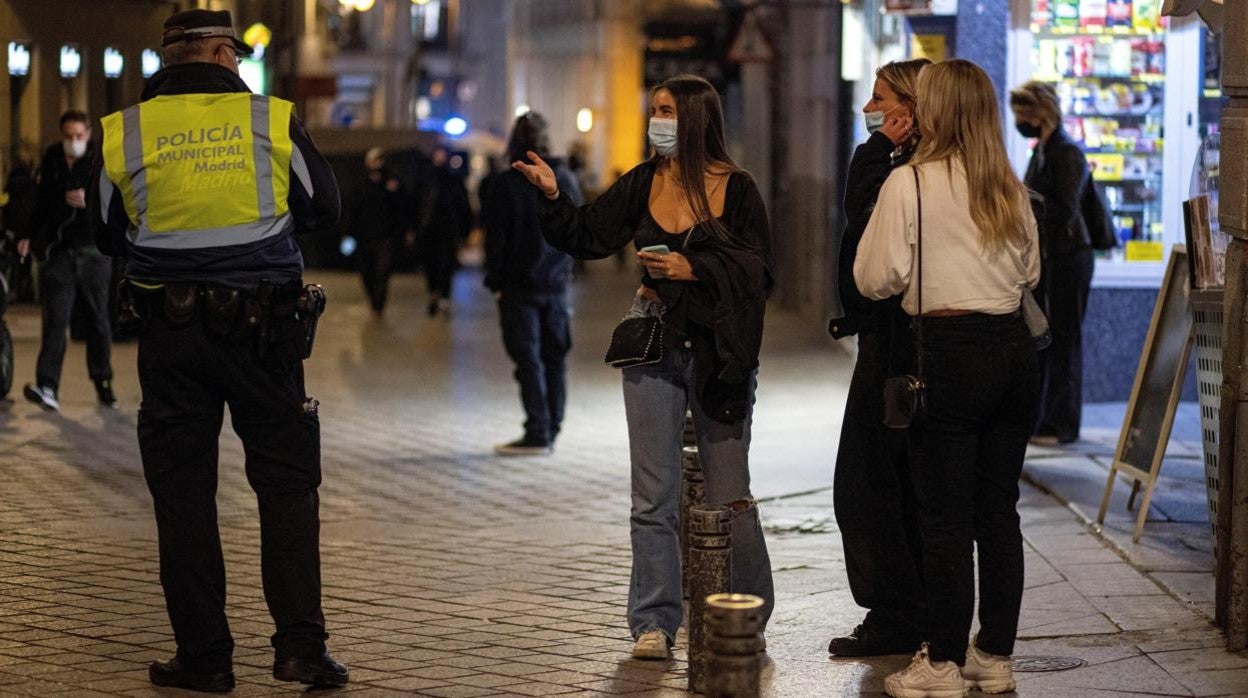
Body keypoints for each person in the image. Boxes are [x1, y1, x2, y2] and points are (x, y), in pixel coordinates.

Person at [91, 9, 348, 692]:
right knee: (286, 487)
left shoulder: (126, 129)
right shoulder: (266, 119)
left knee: (183, 496)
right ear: (224, 53)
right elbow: (325, 203)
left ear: (168, 57)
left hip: (169, 335)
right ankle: (300, 651)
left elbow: (104, 227)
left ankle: (204, 659)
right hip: (264, 332)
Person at [513, 74, 775, 660]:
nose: (656, 120)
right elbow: (587, 237)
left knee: (731, 492)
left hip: (715, 351)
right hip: (653, 341)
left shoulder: (738, 188)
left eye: (666, 110)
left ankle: (748, 611)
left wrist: (693, 270)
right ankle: (654, 622)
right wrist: (555, 195)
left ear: (695, 119)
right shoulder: (642, 182)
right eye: (653, 109)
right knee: (651, 497)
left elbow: (759, 270)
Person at [855, 59, 1040, 697]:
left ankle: (940, 663)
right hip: (1015, 355)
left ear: (935, 112)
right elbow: (1031, 273)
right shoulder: (1008, 185)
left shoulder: (910, 183)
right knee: (998, 511)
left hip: (948, 356)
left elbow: (874, 278)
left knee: (943, 520)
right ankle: (995, 654)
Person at [826, 58, 931, 658]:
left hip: (899, 349)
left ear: (908, 111)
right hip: (887, 343)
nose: (870, 106)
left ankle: (903, 614)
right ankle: (904, 610)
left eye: (880, 97)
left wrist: (868, 155)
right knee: (883, 485)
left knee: (874, 485)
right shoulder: (899, 166)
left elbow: (871, 248)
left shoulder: (900, 174)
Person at [481, 112, 582, 455]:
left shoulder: (505, 183)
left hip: (518, 287)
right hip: (556, 287)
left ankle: (538, 430)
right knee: (555, 356)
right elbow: (576, 230)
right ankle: (552, 426)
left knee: (528, 359)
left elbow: (495, 240)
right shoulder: (565, 177)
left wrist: (496, 282)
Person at [1010, 80, 1094, 446]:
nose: (1018, 123)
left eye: (1021, 116)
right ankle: (1044, 419)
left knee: (1064, 339)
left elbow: (1066, 209)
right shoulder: (1042, 151)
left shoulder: (1065, 153)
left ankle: (1062, 424)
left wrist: (1028, 203)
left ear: (1036, 114)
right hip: (1050, 257)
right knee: (1046, 337)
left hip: (1068, 257)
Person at [19, 110, 116, 411]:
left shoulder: (102, 160)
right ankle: (47, 385)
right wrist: (29, 236)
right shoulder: (52, 160)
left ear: (88, 134)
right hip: (61, 252)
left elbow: (116, 202)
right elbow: (42, 203)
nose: (74, 142)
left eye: (79, 136)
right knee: (55, 321)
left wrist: (90, 203)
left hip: (93, 253)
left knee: (98, 322)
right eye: (68, 136)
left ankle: (103, 381)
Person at [348, 147, 403, 317]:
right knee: (367, 271)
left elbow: (400, 208)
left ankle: (378, 305)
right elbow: (354, 209)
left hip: (385, 236)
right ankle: (373, 299)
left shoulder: (391, 184)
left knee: (382, 271)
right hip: (365, 237)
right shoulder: (361, 184)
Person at [418, 146, 472, 317]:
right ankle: (434, 292)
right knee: (430, 264)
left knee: (446, 265)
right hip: (429, 231)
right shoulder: (426, 180)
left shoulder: (453, 181)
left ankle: (444, 297)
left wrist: (464, 231)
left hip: (448, 231)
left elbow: (463, 208)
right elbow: (418, 204)